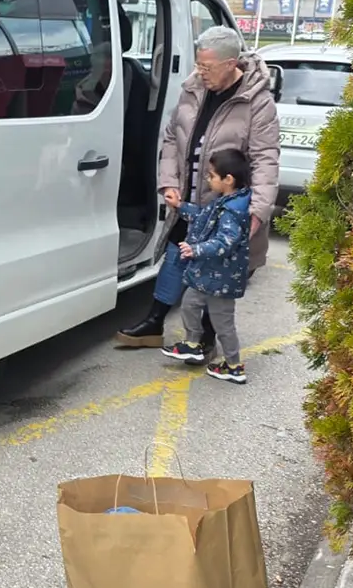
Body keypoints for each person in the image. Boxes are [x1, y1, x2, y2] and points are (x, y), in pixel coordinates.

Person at [116, 26, 280, 355]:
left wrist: (258, 212)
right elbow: (171, 140)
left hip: (225, 206)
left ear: (231, 63)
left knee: (213, 271)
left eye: (206, 67)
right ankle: (155, 322)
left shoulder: (256, 102)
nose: (200, 72)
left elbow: (265, 161)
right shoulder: (193, 89)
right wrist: (169, 183)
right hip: (190, 198)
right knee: (176, 257)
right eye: (198, 65)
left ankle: (204, 338)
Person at [161, 149, 253, 384]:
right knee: (190, 305)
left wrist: (197, 249)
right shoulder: (226, 202)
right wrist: (181, 206)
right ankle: (192, 343)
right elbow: (204, 217)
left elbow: (226, 242)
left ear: (228, 179)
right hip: (208, 276)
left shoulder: (233, 210)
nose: (208, 180)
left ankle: (233, 366)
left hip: (221, 279)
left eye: (212, 175)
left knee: (223, 324)